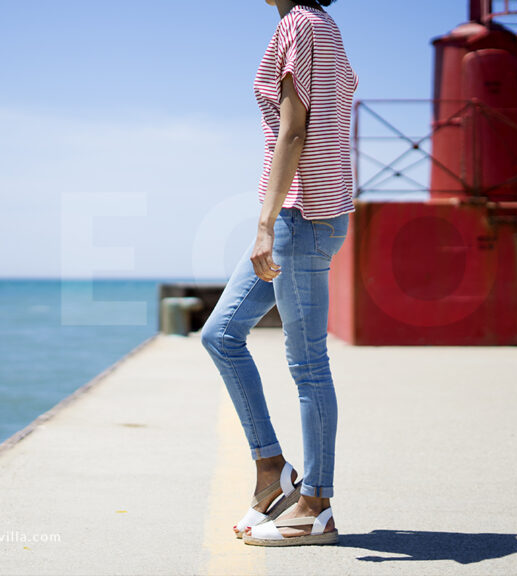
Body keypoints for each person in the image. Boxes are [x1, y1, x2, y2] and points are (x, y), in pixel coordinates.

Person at [200, 0, 358, 547]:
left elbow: (294, 131)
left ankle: (316, 504)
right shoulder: (326, 27)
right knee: (220, 335)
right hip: (314, 213)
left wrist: (265, 222)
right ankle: (273, 471)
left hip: (299, 216)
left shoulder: (299, 24)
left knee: (308, 363)